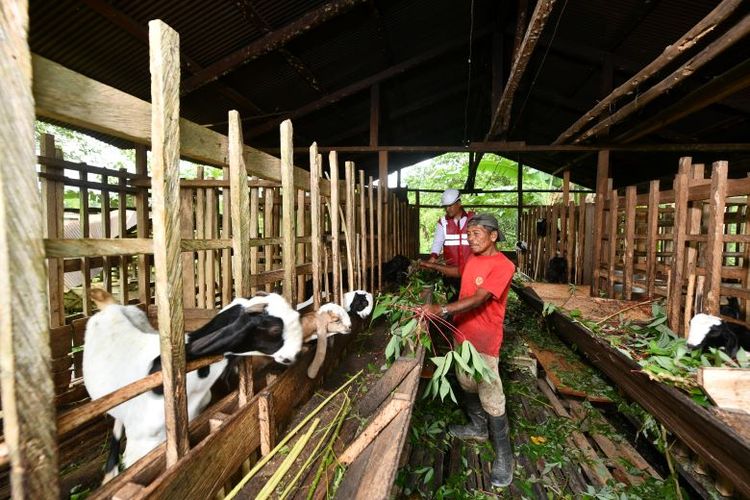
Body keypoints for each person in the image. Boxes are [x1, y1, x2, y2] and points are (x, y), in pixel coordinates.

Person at [419, 213, 515, 488]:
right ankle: (477, 427)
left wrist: (443, 309)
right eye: (469, 234)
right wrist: (431, 265)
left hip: (485, 340)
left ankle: (504, 457)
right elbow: (459, 273)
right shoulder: (473, 258)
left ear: (493, 236)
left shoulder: (503, 265)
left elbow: (479, 298)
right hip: (463, 333)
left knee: (491, 394)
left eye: (476, 234)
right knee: (465, 380)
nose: (470, 239)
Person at [427, 189, 474, 268]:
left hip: (471, 270)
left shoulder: (473, 219)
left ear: (459, 203)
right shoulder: (443, 222)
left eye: (450, 205)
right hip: (450, 271)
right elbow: (437, 242)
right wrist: (433, 257)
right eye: (446, 206)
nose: (447, 209)